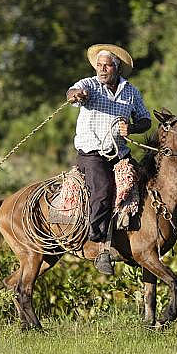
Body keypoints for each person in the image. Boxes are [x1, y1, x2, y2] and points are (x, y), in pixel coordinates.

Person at [66, 44, 151, 274]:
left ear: (117, 68)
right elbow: (73, 92)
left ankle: (139, 239)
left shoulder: (131, 92)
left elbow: (145, 120)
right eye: (99, 65)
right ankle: (98, 243)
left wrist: (132, 128)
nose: (102, 69)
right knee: (103, 190)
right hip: (92, 154)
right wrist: (75, 95)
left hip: (119, 153)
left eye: (107, 65)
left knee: (145, 183)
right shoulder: (89, 85)